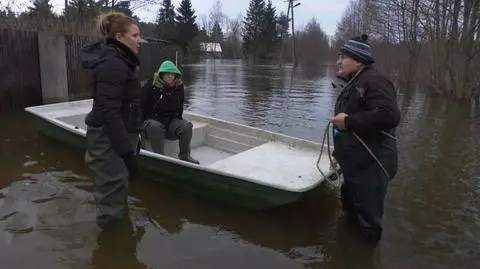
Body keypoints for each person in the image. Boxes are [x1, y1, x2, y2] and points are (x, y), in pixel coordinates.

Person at [330, 34, 400, 244]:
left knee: (367, 223)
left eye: (343, 57)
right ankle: (345, 253)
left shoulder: (374, 81)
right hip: (356, 164)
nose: (338, 61)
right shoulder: (355, 82)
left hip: (372, 166)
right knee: (350, 211)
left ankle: (364, 258)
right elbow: (347, 129)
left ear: (359, 60)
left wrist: (349, 121)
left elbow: (389, 115)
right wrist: (337, 154)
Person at [80, 11, 144, 228]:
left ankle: (122, 243)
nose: (139, 41)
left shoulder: (122, 60)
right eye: (134, 36)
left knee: (117, 193)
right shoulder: (113, 63)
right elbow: (110, 113)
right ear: (119, 37)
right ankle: (110, 252)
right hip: (109, 142)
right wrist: (127, 154)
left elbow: (127, 104)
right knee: (111, 202)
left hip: (119, 138)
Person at [140, 60, 200, 164]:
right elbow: (140, 105)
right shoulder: (151, 85)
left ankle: (185, 156)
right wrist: (138, 128)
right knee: (156, 127)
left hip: (170, 121)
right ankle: (160, 159)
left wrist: (178, 122)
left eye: (172, 74)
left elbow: (180, 106)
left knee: (186, 126)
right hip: (151, 121)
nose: (170, 76)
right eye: (167, 74)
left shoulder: (179, 87)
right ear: (161, 74)